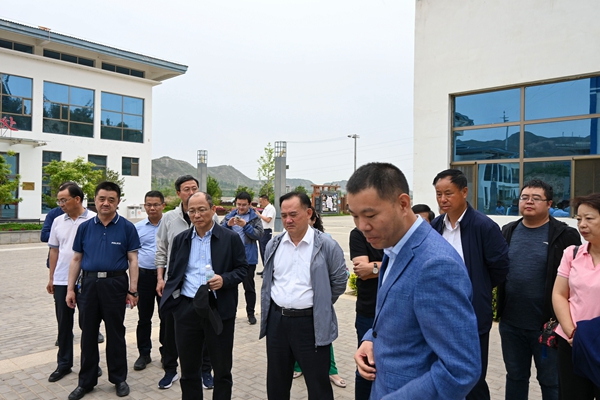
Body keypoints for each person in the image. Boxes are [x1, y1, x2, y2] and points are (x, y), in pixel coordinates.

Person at [348, 162, 481, 399]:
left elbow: (460, 369)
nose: (362, 226)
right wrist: (371, 339)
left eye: (370, 215)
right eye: (355, 216)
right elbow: (396, 313)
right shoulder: (394, 246)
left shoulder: (436, 265)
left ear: (403, 204)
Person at [259, 192, 348, 400]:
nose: (288, 220)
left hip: (311, 323)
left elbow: (339, 282)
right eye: (284, 215)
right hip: (277, 322)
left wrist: (320, 304)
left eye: (293, 214)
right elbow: (270, 280)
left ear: (308, 213)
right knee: (277, 382)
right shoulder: (274, 244)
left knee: (318, 385)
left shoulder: (326, 245)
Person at [431, 168, 510, 400]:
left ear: (464, 192)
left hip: (471, 315)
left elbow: (500, 267)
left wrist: (479, 287)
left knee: (473, 379)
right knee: (441, 375)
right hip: (439, 316)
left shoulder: (483, 226)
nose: (443, 199)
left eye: (448, 193)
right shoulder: (435, 226)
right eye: (438, 194)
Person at [160, 191, 248, 400]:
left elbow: (243, 269)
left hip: (218, 309)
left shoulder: (230, 238)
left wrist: (224, 279)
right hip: (187, 309)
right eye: (192, 211)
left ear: (212, 209)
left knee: (222, 369)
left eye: (201, 210)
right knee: (189, 370)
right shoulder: (181, 239)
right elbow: (174, 273)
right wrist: (176, 304)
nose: (197, 215)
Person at [498, 180, 581, 400]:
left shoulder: (564, 234)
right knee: (515, 377)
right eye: (524, 197)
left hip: (547, 325)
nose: (529, 202)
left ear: (549, 203)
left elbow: (575, 280)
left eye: (536, 198)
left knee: (551, 382)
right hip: (511, 324)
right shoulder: (508, 231)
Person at [65, 181, 140, 400]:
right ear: (95, 200)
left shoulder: (127, 227)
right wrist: (70, 289)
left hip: (115, 285)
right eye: (102, 199)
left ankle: (119, 379)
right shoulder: (85, 227)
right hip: (88, 285)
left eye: (111, 199)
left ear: (118, 202)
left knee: (116, 333)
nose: (106, 203)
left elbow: (133, 260)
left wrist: (133, 290)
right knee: (88, 334)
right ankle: (86, 382)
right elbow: (76, 259)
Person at [155, 175, 216, 390]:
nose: (191, 192)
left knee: (206, 330)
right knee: (171, 331)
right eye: (186, 189)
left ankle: (205, 371)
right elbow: (161, 250)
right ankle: (170, 370)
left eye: (194, 188)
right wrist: (160, 278)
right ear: (178, 193)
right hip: (175, 286)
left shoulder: (211, 217)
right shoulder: (169, 218)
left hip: (204, 287)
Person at [46, 182, 96, 383]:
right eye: (59, 201)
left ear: (77, 199)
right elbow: (54, 250)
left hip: (87, 279)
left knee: (88, 324)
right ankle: (64, 364)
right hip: (61, 279)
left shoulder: (94, 219)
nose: (61, 204)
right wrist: (51, 277)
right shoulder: (58, 221)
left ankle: (90, 364)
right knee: (64, 324)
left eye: (64, 200)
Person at [292, 208, 347, 389]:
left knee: (323, 338)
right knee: (296, 338)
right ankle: (298, 366)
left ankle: (331, 370)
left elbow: (340, 277)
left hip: (318, 301)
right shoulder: (289, 241)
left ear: (313, 219)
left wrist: (325, 300)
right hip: (296, 304)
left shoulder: (326, 241)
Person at [552, 193, 600, 399]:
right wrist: (572, 333)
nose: (582, 225)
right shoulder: (572, 253)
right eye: (579, 219)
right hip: (572, 342)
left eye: (589, 218)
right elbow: (559, 294)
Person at [349, 226, 384, 399]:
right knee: (366, 366)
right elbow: (362, 272)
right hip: (368, 311)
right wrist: (390, 265)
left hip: (394, 311)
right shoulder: (358, 234)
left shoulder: (394, 232)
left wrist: (374, 267)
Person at [132, 190, 165, 371]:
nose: (152, 208)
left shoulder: (169, 225)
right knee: (144, 318)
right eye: (149, 205)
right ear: (144, 206)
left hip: (165, 278)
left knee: (166, 317)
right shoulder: (137, 228)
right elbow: (132, 255)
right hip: (144, 277)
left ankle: (167, 353)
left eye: (156, 204)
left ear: (163, 206)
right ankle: (144, 354)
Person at [221, 191, 263, 325]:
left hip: (248, 258)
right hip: (231, 258)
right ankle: (229, 313)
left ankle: (250, 313)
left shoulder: (254, 218)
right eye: (238, 204)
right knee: (230, 287)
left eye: (244, 205)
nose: (241, 207)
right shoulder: (230, 216)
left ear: (249, 204)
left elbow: (259, 234)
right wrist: (227, 225)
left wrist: (246, 226)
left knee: (249, 287)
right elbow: (219, 232)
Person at [256, 194, 276, 275]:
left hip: (266, 231)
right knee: (262, 251)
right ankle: (265, 268)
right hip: (262, 231)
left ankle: (268, 270)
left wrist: (259, 215)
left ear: (265, 200)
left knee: (265, 251)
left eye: (261, 202)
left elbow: (268, 219)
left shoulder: (270, 208)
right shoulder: (266, 208)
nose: (260, 203)